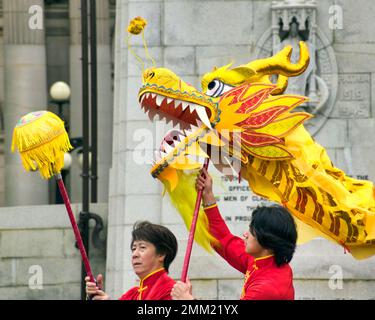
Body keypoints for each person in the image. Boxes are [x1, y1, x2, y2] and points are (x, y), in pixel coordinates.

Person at [171, 167, 297, 300]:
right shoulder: (263, 260)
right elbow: (223, 239)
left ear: (268, 241)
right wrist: (207, 195)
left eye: (252, 232)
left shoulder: (266, 288)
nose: (245, 234)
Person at [86, 221, 178, 300]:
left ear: (161, 254)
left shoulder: (172, 291)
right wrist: (95, 295)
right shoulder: (132, 294)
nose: (135, 254)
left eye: (142, 247)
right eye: (134, 248)